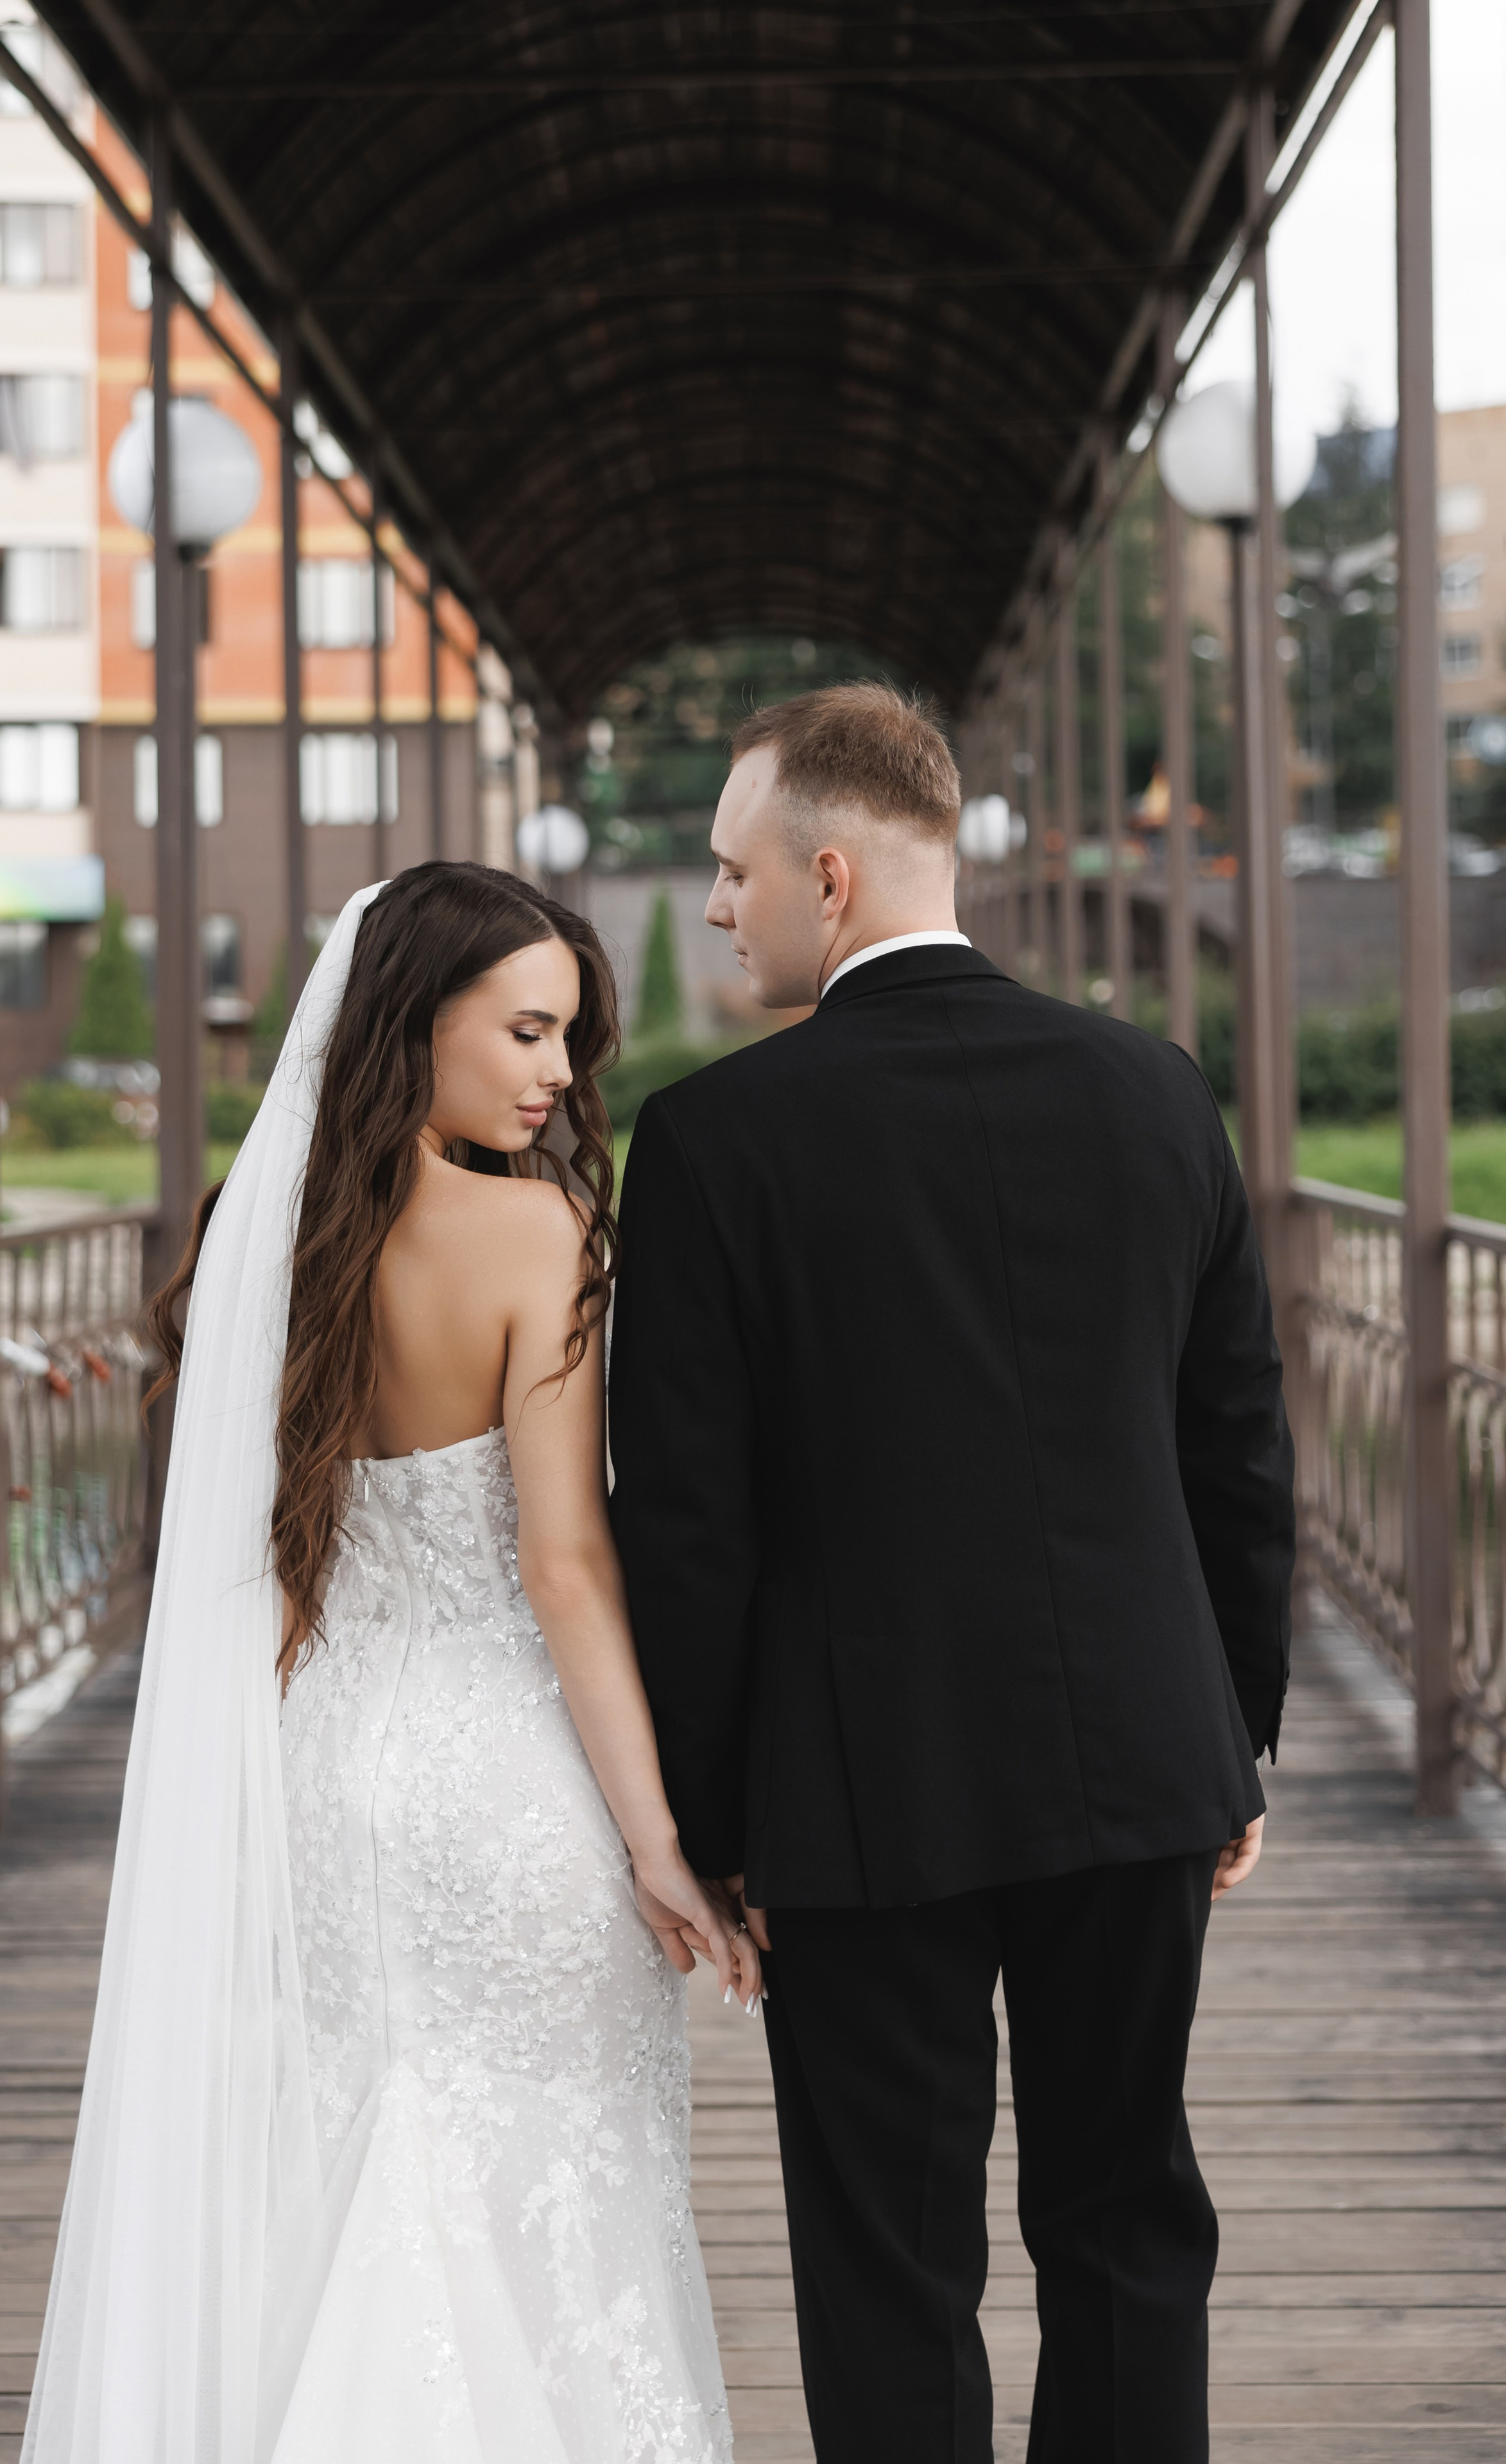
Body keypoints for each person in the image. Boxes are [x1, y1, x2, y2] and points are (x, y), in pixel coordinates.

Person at [608, 683, 1294, 2464]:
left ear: (827, 875)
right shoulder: (1158, 1094)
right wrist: (1240, 1735)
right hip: (1141, 1757)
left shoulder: (711, 1143)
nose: (713, 906)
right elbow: (1237, 1446)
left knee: (887, 2256)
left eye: (729, 869)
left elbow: (689, 1525)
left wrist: (706, 1817)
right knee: (1128, 2214)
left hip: (858, 1792)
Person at [23, 864, 758, 2464]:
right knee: (543, 2195)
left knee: (353, 2171)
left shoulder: (257, 1241)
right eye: (526, 1030)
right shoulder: (534, 1232)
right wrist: (661, 1845)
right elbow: (563, 1568)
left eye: (569, 1036)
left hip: (317, 1780)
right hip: (505, 1789)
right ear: (407, 1028)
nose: (560, 1073)